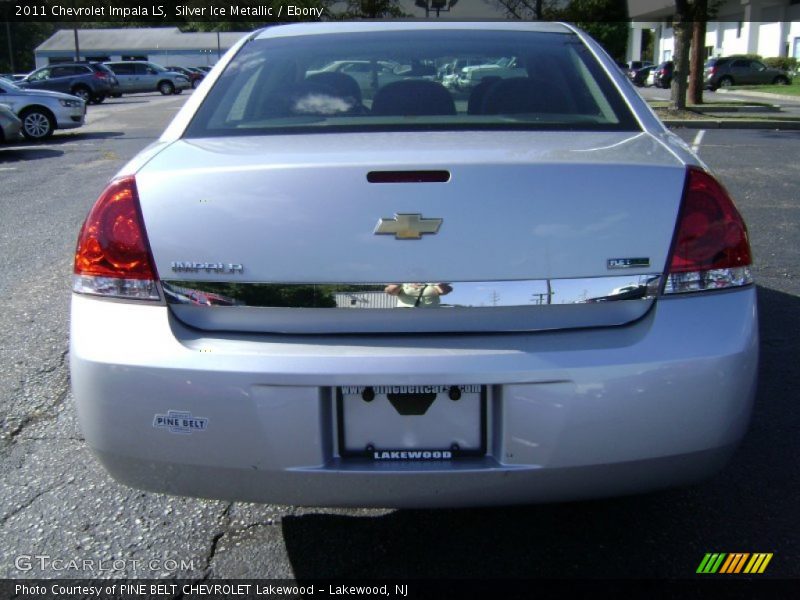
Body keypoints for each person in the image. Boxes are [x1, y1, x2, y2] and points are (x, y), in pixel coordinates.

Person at [384, 283, 452, 308]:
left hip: (430, 315)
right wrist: (398, 283)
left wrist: (439, 282)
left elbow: (445, 291)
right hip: (404, 315)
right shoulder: (402, 283)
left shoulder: (432, 283)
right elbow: (390, 291)